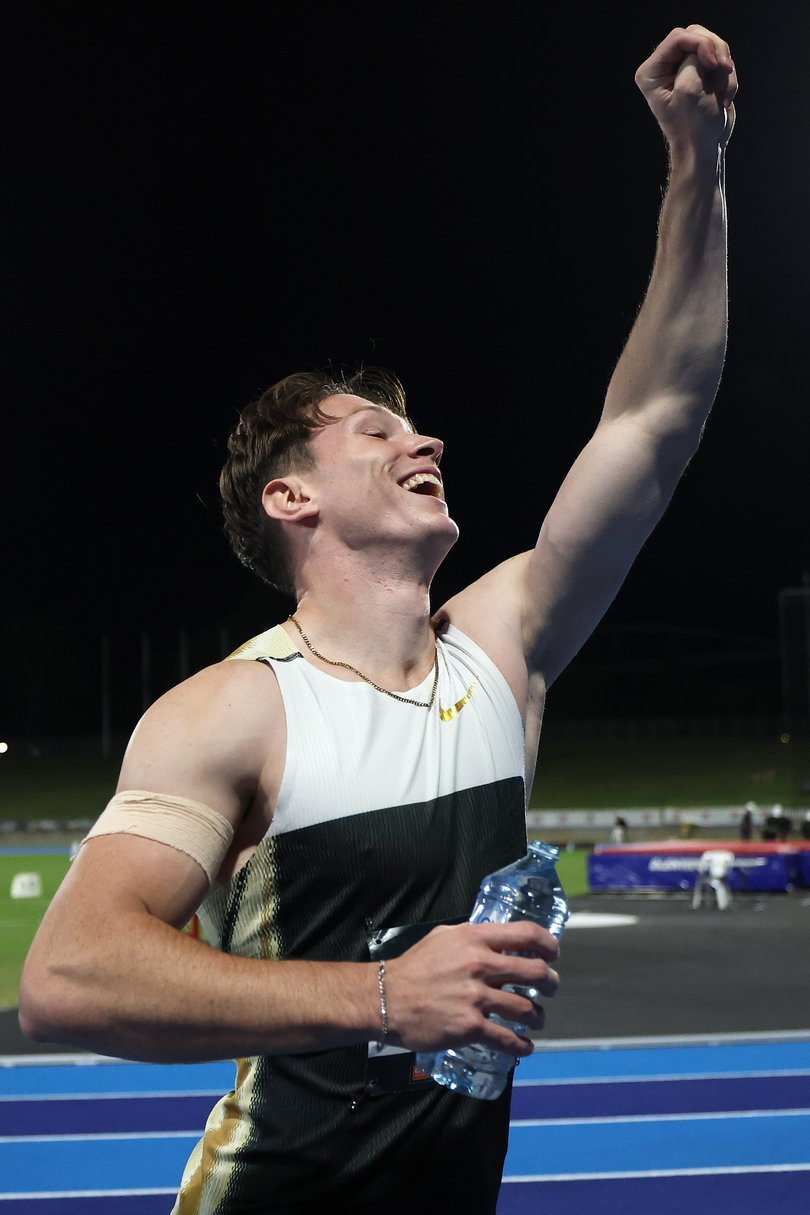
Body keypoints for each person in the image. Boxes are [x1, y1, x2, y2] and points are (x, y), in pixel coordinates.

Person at [19, 24, 737, 1215]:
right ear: (290, 496)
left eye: (416, 428)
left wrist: (698, 165)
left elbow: (658, 413)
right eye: (377, 432)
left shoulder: (502, 648)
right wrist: (385, 999)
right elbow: (69, 976)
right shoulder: (237, 711)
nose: (428, 441)